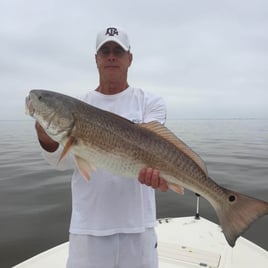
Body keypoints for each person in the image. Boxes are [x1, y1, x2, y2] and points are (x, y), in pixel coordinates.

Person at [35, 26, 169, 268]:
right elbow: (60, 163)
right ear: (96, 59)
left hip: (139, 229)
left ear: (130, 58)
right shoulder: (80, 106)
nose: (111, 56)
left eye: (118, 51)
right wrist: (46, 138)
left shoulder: (150, 103)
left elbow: (157, 150)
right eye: (104, 51)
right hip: (88, 229)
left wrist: (164, 176)